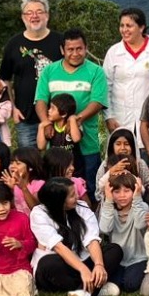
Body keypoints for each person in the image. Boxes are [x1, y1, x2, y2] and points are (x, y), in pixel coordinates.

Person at [34, 28, 108, 199]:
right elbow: (40, 100)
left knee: (89, 188)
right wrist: (45, 122)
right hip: (57, 147)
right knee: (57, 189)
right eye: (70, 49)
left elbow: (97, 102)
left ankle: (90, 223)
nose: (75, 53)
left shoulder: (96, 71)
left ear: (86, 48)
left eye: (79, 49)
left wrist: (76, 119)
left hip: (87, 143)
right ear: (62, 50)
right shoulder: (49, 71)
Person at [30, 176, 123, 296]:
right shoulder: (39, 214)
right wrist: (83, 269)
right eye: (72, 195)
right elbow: (59, 247)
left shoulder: (81, 207)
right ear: (59, 201)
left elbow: (91, 239)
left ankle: (84, 293)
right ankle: (98, 288)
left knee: (114, 250)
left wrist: (99, 264)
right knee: (48, 264)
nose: (78, 196)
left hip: (81, 258)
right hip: (59, 265)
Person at [0, 0, 63, 148]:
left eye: (39, 11)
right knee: (28, 163)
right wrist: (13, 108)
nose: (34, 16)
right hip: (25, 117)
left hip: (58, 117)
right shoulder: (14, 44)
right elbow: (5, 79)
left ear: (47, 16)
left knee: (58, 162)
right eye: (29, 12)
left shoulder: (60, 41)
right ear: (23, 17)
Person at [102, 7, 149, 148]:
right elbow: (106, 87)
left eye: (129, 26)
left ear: (141, 27)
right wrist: (109, 116)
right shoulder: (114, 52)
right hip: (120, 119)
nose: (124, 30)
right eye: (122, 25)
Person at [98, 170, 149, 293]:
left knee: (130, 284)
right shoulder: (109, 209)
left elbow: (139, 223)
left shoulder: (142, 206)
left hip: (138, 258)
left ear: (134, 191)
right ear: (110, 192)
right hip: (118, 260)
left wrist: (137, 198)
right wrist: (109, 201)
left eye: (127, 191)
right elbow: (105, 229)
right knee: (114, 282)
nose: (122, 195)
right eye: (116, 191)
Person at [93, 128, 149, 203]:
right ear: (112, 146)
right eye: (118, 144)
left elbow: (147, 188)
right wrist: (110, 172)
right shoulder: (105, 164)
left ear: (133, 146)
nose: (122, 148)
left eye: (127, 144)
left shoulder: (140, 164)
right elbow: (98, 195)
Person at [38, 93, 83, 176]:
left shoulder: (72, 126)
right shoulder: (50, 127)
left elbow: (76, 138)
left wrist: (72, 119)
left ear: (64, 114)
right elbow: (41, 146)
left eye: (52, 108)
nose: (49, 110)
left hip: (74, 169)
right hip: (55, 168)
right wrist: (41, 127)